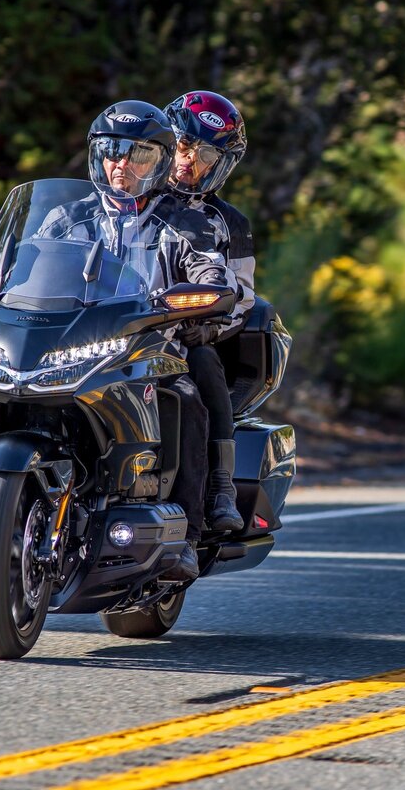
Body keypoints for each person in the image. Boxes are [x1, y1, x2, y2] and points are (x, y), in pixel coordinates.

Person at [42, 99, 237, 581]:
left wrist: (208, 294)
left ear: (161, 161)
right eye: (111, 151)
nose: (120, 164)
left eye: (138, 155)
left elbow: (214, 274)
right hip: (69, 350)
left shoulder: (192, 222)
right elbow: (20, 272)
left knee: (187, 396)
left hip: (151, 350)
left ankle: (190, 531)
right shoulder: (65, 219)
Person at [163, 90, 255, 538]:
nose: (188, 161)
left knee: (201, 364)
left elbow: (245, 297)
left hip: (187, 333)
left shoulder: (229, 222)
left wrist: (208, 317)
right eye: (183, 146)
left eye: (206, 154)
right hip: (112, 328)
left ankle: (219, 489)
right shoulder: (123, 200)